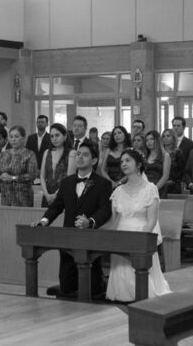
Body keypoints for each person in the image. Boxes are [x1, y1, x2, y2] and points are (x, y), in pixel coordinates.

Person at [35, 140, 113, 299]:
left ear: (94, 160)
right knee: (67, 285)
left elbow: (105, 210)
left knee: (92, 285)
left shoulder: (103, 183)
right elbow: (56, 206)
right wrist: (44, 221)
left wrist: (90, 221)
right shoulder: (67, 182)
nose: (80, 158)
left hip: (90, 237)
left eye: (85, 155)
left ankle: (97, 290)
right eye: (78, 154)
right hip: (68, 236)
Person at [106, 149, 171, 303]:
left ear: (139, 164)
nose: (123, 164)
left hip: (141, 234)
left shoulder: (150, 189)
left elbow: (151, 220)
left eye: (128, 160)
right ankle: (122, 293)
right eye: (122, 161)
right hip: (122, 235)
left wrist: (142, 239)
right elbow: (114, 221)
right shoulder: (118, 191)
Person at [0, 125, 39, 206]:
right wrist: (1, 177)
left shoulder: (29, 154)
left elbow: (32, 175)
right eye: (11, 137)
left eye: (16, 136)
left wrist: (12, 178)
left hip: (23, 198)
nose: (13, 139)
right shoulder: (4, 154)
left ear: (23, 138)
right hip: (6, 197)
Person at [39, 123, 77, 206]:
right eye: (52, 136)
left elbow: (69, 178)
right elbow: (42, 176)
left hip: (64, 194)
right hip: (47, 195)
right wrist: (46, 194)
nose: (54, 139)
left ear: (65, 136)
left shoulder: (72, 153)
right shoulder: (47, 152)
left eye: (57, 135)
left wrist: (55, 195)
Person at [143, 130, 172, 197]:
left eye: (152, 139)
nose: (149, 142)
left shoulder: (165, 156)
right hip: (144, 188)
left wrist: (154, 189)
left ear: (157, 140)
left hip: (158, 189)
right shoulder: (144, 156)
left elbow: (165, 177)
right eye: (147, 140)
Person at [161, 128, 185, 195]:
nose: (165, 138)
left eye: (168, 136)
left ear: (173, 138)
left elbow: (181, 171)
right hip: (159, 183)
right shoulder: (159, 153)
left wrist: (173, 181)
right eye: (163, 136)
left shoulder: (178, 153)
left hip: (173, 185)